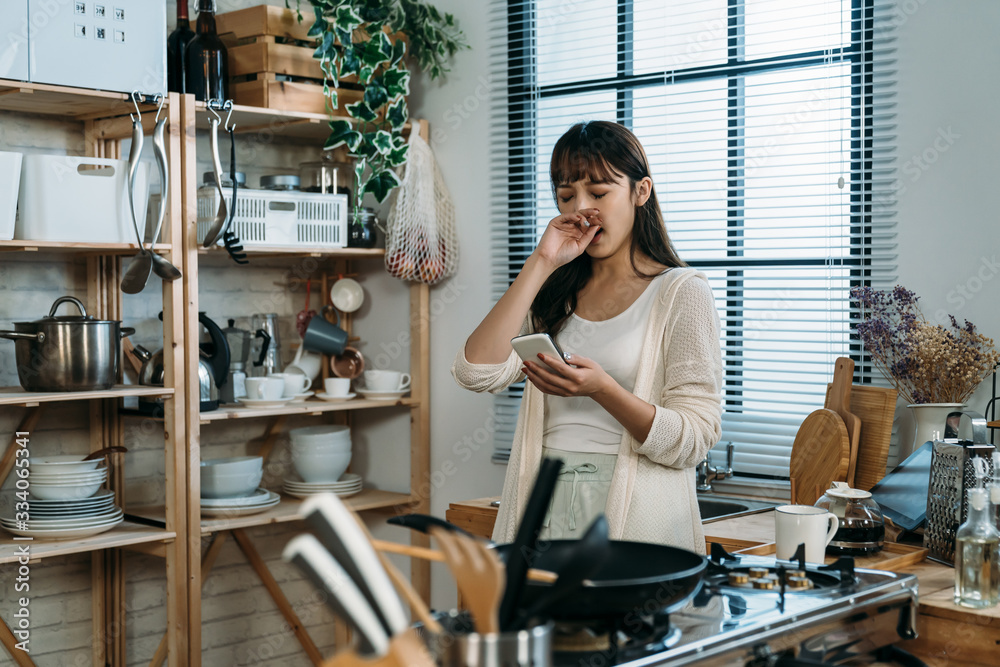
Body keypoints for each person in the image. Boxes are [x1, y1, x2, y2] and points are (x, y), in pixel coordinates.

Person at [451, 120, 722, 553]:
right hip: (542, 502)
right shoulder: (553, 292)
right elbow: (475, 372)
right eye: (565, 196)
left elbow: (694, 438)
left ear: (641, 191)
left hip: (636, 515)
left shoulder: (681, 292)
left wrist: (602, 390)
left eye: (599, 193)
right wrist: (541, 262)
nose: (581, 209)